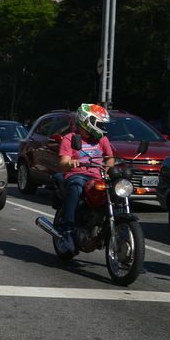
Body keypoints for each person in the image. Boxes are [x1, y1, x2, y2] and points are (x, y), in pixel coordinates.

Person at [57, 103, 114, 253]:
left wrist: (107, 171)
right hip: (78, 175)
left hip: (97, 177)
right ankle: (68, 229)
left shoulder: (102, 139)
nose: (102, 126)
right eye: (99, 123)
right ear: (86, 121)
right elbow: (63, 162)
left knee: (118, 191)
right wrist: (71, 163)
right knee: (76, 186)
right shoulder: (70, 138)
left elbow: (110, 159)